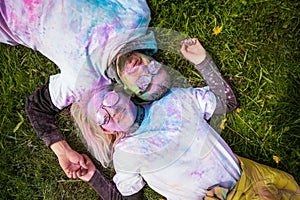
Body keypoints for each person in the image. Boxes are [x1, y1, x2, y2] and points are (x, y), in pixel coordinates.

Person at [70, 38, 299, 199]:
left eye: (109, 100)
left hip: (252, 183)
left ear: (123, 93)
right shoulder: (125, 153)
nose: (111, 111)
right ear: (106, 129)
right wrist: (93, 178)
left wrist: (203, 62)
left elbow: (227, 103)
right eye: (102, 116)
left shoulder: (178, 101)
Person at [1, 0, 180, 178]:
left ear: (128, 91)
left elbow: (37, 106)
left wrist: (62, 151)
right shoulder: (136, 16)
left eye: (143, 84)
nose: (143, 69)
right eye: (154, 68)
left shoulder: (85, 81)